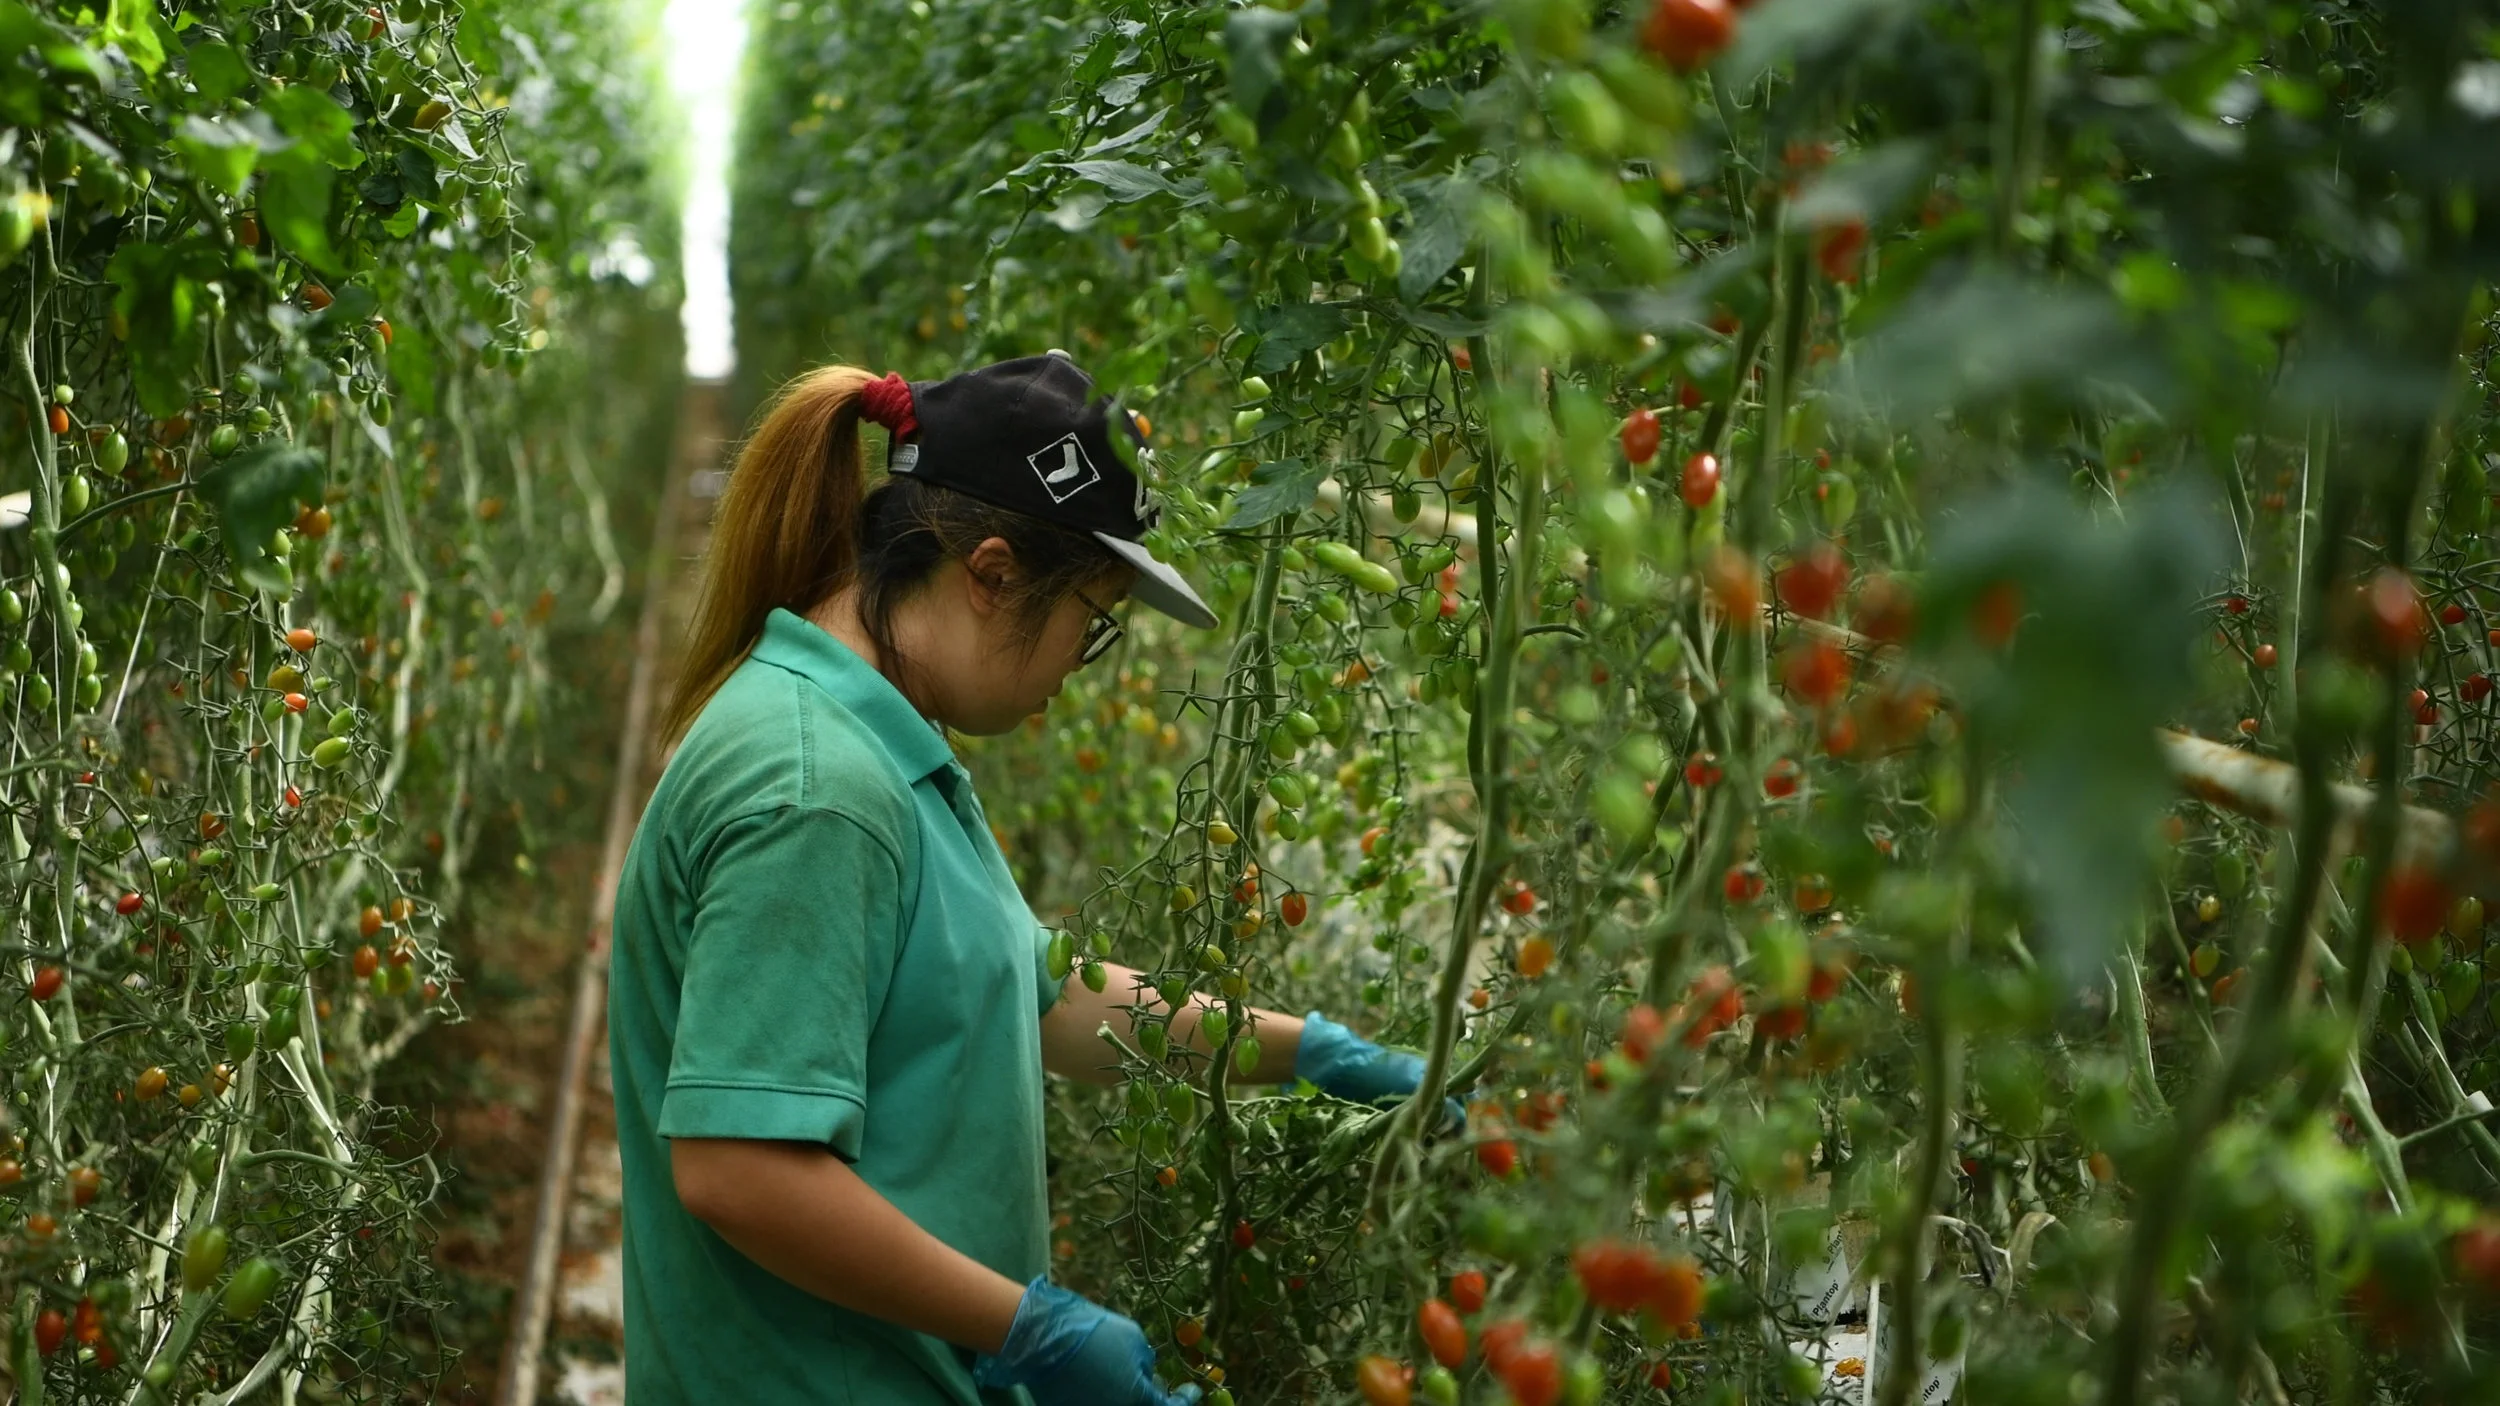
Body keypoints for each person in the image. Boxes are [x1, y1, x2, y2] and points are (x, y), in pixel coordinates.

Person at [608, 352, 1445, 1405]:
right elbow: (739, 1169)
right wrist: (1029, 1326)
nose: (1075, 667)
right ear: (992, 574)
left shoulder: (878, 747)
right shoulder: (815, 789)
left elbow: (1032, 995)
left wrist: (1316, 1054)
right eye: (1089, 623)